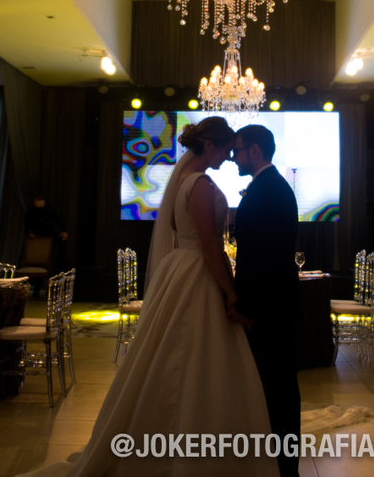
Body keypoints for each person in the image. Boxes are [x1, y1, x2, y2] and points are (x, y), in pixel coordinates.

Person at [51, 117, 277, 477]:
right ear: (208, 147)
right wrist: (232, 293)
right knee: (192, 353)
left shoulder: (185, 182)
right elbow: (210, 247)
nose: (228, 157)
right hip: (197, 274)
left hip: (181, 270)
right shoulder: (200, 184)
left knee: (174, 352)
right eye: (224, 149)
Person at [232, 124, 301, 477]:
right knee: (276, 385)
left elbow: (260, 259)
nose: (233, 158)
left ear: (255, 151)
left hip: (269, 306)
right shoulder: (269, 187)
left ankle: (286, 467)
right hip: (274, 301)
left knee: (278, 387)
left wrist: (246, 306)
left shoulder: (267, 191)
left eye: (238, 151)